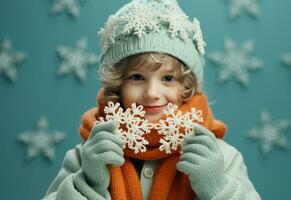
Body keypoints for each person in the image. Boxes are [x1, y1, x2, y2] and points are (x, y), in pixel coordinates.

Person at [43, 0, 261, 199]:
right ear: (118, 84)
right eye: (137, 77)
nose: (152, 93)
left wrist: (218, 189)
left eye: (168, 78)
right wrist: (89, 182)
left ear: (186, 86)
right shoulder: (89, 154)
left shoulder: (220, 156)